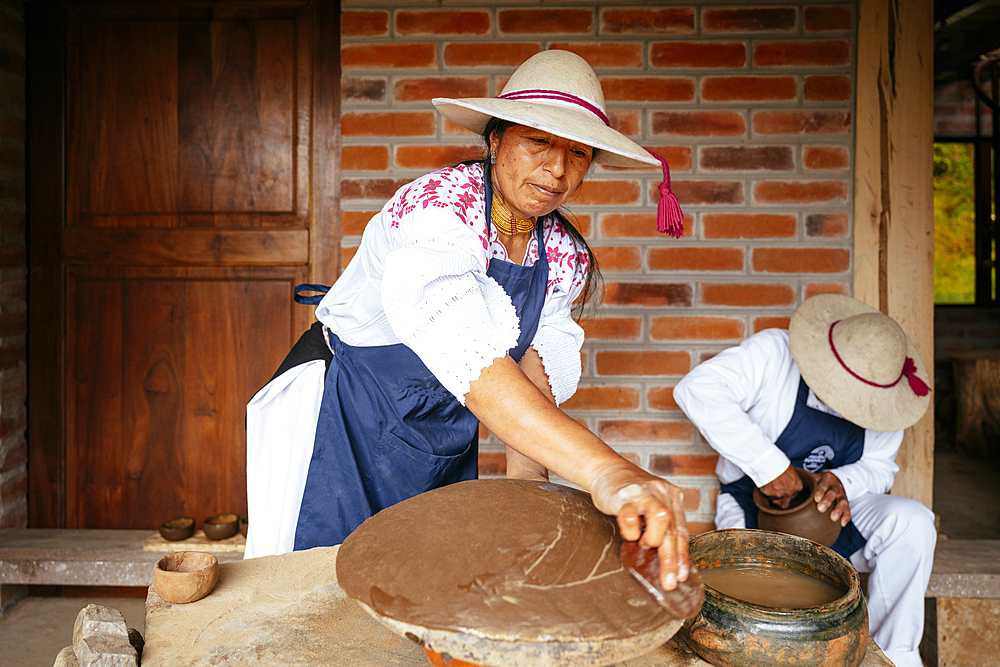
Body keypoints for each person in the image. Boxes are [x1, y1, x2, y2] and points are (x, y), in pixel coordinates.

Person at [245, 49, 691, 591]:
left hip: (435, 435)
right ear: (496, 137)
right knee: (313, 593)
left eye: (578, 153)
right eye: (539, 142)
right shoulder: (438, 212)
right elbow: (473, 362)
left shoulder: (562, 255)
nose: (557, 170)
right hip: (342, 419)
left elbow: (531, 378)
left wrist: (533, 514)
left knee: (418, 588)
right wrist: (609, 472)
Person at [673, 294, 936, 667]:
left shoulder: (889, 393)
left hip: (837, 513)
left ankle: (895, 655)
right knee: (746, 600)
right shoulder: (774, 354)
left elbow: (880, 466)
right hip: (753, 505)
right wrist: (771, 469)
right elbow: (696, 390)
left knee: (913, 523)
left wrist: (843, 482)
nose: (855, 408)